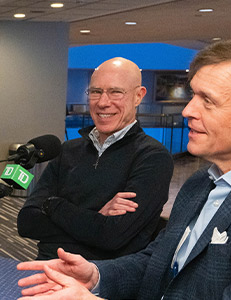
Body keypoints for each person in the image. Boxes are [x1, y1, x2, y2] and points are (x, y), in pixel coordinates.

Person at [16, 33, 231, 299]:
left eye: (208, 101)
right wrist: (96, 275)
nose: (188, 111)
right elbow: (159, 262)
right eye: (193, 95)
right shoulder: (201, 184)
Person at [16, 57, 174, 260]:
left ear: (138, 96)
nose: (103, 102)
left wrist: (53, 205)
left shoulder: (153, 158)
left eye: (116, 92)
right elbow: (27, 223)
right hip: (47, 270)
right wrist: (96, 219)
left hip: (102, 281)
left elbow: (112, 237)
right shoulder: (67, 151)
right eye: (96, 92)